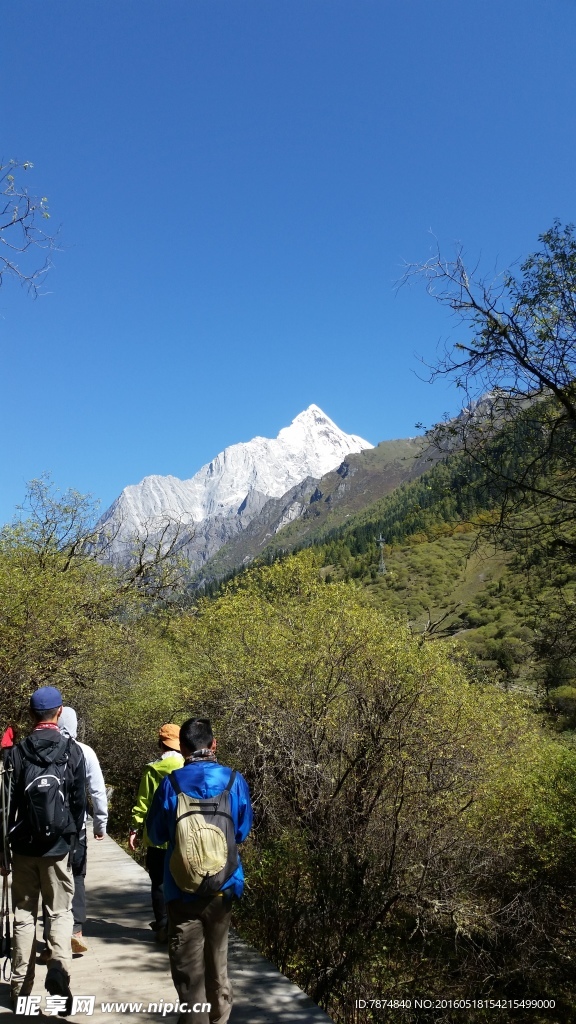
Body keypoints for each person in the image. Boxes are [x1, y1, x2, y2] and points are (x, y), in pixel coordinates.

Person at [147, 717, 252, 1024]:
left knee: (189, 977)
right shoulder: (234, 781)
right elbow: (242, 831)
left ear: (182, 747)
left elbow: (156, 834)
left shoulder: (171, 783)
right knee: (218, 969)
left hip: (182, 890)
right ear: (213, 744)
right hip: (223, 886)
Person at [0, 686, 86, 1014]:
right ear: (59, 711)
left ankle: (21, 990)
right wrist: (73, 840)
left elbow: (5, 806)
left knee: (23, 915)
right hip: (59, 846)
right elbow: (79, 805)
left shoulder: (16, 753)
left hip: (23, 847)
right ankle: (59, 971)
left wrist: (2, 851)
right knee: (60, 912)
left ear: (31, 714)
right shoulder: (72, 751)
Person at [39, 706, 107, 960]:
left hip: (45, 827)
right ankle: (76, 930)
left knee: (51, 880)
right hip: (76, 827)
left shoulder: (41, 746)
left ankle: (50, 939)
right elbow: (98, 792)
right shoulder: (84, 751)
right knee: (76, 874)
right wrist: (100, 825)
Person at [129, 724, 184, 941]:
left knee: (159, 881)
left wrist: (135, 828)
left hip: (157, 836)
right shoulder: (188, 766)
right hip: (183, 835)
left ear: (161, 744)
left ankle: (162, 924)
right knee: (181, 881)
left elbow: (144, 802)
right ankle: (179, 925)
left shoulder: (153, 769)